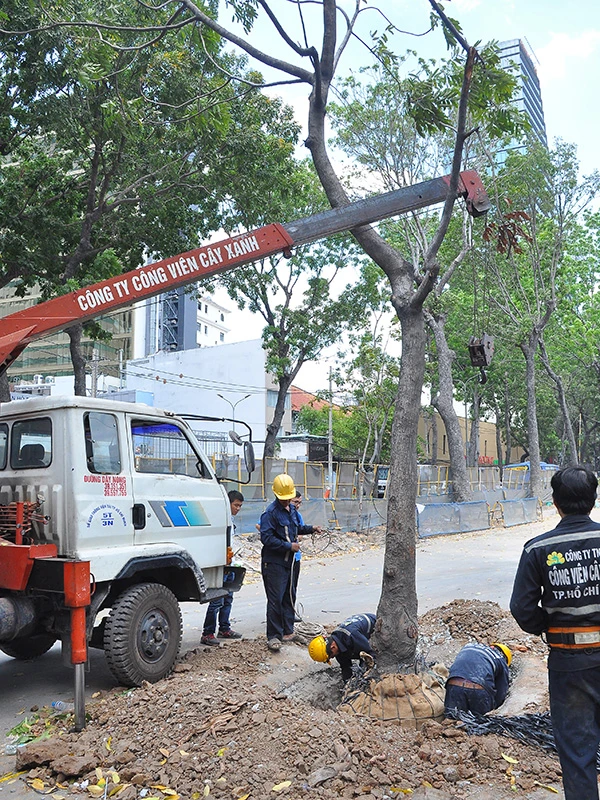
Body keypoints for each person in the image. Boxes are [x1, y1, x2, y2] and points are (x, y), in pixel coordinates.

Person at [510, 465, 600, 800]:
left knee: (578, 754)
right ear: (592, 500)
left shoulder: (538, 549)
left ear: (556, 502)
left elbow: (522, 609)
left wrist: (549, 626)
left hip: (569, 663)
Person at [259, 474, 321, 652]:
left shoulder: (292, 510)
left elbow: (296, 528)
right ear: (277, 495)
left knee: (289, 596)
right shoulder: (270, 514)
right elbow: (267, 538)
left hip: (289, 563)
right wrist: (288, 546)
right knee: (275, 599)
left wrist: (311, 529)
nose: (287, 501)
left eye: (289, 498)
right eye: (284, 499)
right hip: (274, 563)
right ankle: (273, 636)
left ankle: (288, 632)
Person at [201, 490, 244, 646]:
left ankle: (224, 628)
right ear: (228, 503)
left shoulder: (229, 521)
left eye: (240, 506)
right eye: (236, 505)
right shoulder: (219, 521)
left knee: (228, 598)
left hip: (230, 564)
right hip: (221, 565)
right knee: (216, 601)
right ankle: (207, 633)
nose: (238, 508)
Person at [444, 642, 511, 716]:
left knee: (451, 720)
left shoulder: (468, 646)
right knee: (480, 722)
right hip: (478, 688)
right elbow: (501, 692)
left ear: (492, 646)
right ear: (505, 658)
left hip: (453, 684)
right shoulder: (500, 658)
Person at [308, 613, 376, 682]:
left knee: (366, 664)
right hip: (359, 636)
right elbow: (345, 667)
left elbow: (371, 653)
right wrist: (347, 683)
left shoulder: (351, 636)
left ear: (332, 647)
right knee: (345, 656)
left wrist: (364, 675)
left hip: (375, 627)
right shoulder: (337, 645)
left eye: (330, 656)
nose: (332, 658)